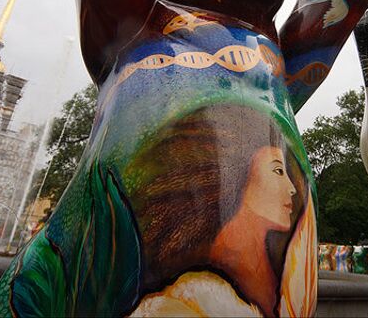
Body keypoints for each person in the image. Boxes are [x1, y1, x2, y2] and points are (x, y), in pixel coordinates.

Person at [130, 103, 316, 317]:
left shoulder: (278, 274)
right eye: (277, 170)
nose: (292, 189)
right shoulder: (191, 298)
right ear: (233, 176)